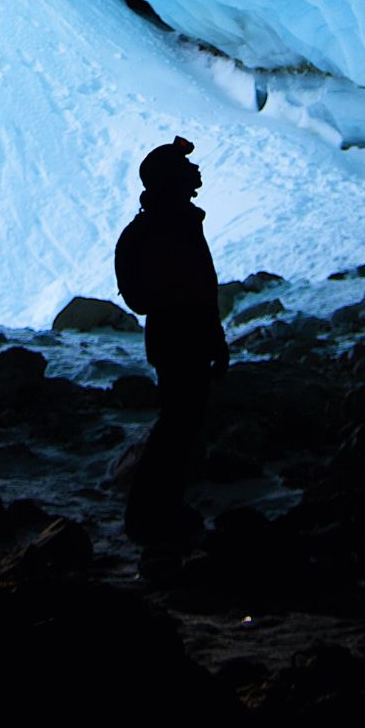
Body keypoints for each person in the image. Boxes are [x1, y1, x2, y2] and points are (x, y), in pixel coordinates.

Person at [115, 136, 228, 547]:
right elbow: (196, 288)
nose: (195, 172)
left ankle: (155, 511)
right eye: (186, 167)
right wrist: (211, 335)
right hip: (182, 336)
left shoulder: (164, 224)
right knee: (179, 426)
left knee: (178, 425)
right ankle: (152, 514)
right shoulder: (174, 226)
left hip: (174, 336)